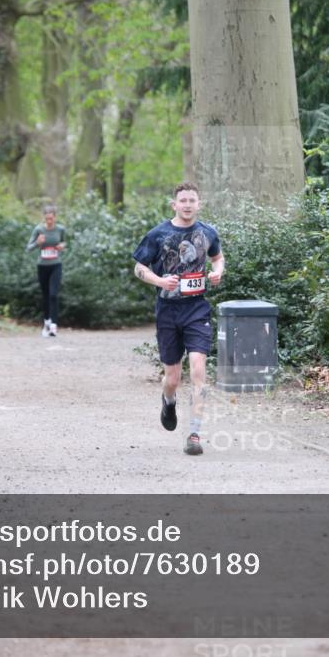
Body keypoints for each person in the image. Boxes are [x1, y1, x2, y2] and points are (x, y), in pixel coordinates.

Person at [132, 183, 224, 455]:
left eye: (191, 200)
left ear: (199, 204)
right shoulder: (158, 234)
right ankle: (168, 400)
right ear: (174, 204)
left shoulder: (207, 232)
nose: (187, 204)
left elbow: (218, 258)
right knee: (172, 377)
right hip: (168, 312)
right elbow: (139, 267)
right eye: (182, 200)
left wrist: (218, 271)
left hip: (197, 310)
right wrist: (160, 280)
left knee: (197, 369)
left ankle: (194, 433)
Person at [26, 204, 67, 336]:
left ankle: (54, 326)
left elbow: (65, 243)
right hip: (42, 265)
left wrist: (62, 246)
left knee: (54, 295)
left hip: (56, 264)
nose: (49, 221)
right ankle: (47, 323)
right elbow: (28, 248)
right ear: (43, 218)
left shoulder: (60, 229)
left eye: (51, 218)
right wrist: (38, 243)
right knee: (46, 296)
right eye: (47, 218)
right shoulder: (38, 229)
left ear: (55, 217)